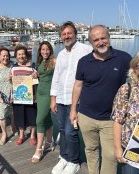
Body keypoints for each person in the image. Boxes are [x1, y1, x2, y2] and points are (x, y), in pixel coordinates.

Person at [70, 24, 132, 174]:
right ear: (91, 42)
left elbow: (137, 82)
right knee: (90, 149)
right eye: (96, 40)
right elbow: (78, 86)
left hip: (111, 119)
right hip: (86, 116)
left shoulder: (124, 58)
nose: (100, 42)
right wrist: (73, 110)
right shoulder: (84, 62)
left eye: (103, 38)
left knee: (110, 155)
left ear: (109, 38)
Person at [51, 21, 93, 174]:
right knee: (62, 130)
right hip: (61, 99)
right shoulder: (61, 54)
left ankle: (74, 161)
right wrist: (53, 98)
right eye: (64, 34)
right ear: (61, 37)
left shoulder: (86, 50)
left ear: (75, 34)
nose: (66, 36)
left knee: (71, 132)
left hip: (77, 100)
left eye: (69, 33)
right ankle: (64, 156)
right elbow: (56, 77)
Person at [31, 41, 56, 163]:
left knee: (39, 120)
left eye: (47, 49)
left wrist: (55, 98)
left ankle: (39, 149)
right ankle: (50, 142)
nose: (45, 52)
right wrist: (36, 75)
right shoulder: (39, 62)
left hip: (48, 94)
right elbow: (42, 76)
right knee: (46, 119)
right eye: (43, 49)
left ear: (50, 50)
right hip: (40, 93)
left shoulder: (54, 61)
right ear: (40, 51)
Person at [11, 45, 37, 146]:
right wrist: (10, 79)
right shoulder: (13, 68)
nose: (21, 56)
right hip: (18, 97)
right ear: (16, 56)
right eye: (19, 54)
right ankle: (21, 135)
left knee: (32, 117)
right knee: (19, 116)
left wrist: (36, 76)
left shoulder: (32, 66)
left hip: (30, 97)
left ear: (26, 55)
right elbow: (11, 82)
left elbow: (36, 82)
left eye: (23, 54)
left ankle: (32, 136)